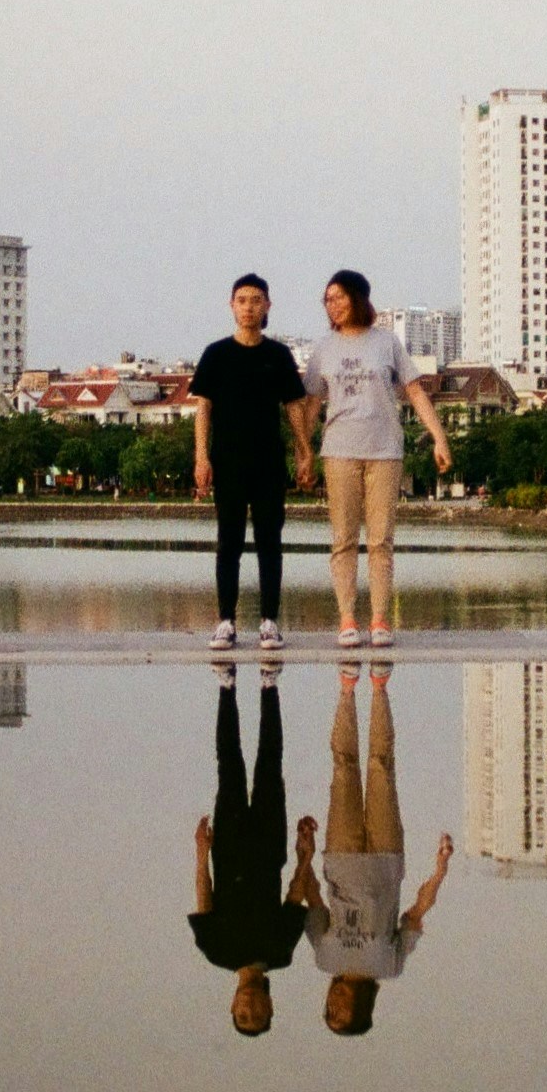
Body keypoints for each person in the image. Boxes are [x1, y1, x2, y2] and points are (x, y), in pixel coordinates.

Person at [298, 269, 451, 650]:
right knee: (344, 540)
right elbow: (312, 404)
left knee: (381, 540)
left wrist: (439, 437)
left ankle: (380, 618)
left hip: (384, 450)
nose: (332, 305)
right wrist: (303, 452)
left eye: (339, 297)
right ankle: (348, 619)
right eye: (327, 299)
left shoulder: (387, 344)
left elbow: (414, 391)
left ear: (358, 298)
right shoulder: (323, 349)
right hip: (339, 452)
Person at [306, 663, 452, 1037]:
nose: (334, 1005)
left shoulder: (324, 959)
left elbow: (314, 902)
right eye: (341, 1014)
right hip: (386, 859)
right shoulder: (389, 966)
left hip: (339, 857)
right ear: (361, 1010)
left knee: (343, 767)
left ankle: (346, 689)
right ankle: (379, 688)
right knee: (382, 767)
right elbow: (416, 914)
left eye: (329, 1012)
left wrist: (303, 853)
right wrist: (439, 871)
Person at [190, 273, 314, 652]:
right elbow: (203, 408)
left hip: (268, 463)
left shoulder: (277, 356)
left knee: (269, 543)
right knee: (228, 542)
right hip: (227, 462)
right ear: (231, 306)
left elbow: (294, 406)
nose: (249, 307)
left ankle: (269, 622)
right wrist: (201, 456)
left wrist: (304, 450)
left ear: (267, 307)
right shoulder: (216, 354)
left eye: (256, 300)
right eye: (242, 300)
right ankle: (226, 620)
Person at [189, 667, 316, 1036]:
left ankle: (226, 688)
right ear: (270, 1006)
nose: (249, 1009)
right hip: (269, 846)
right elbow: (294, 897)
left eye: (242, 1015)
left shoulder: (216, 950)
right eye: (257, 1015)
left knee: (230, 766)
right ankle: (268, 686)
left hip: (226, 849)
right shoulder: (281, 953)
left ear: (232, 1004)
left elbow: (204, 897)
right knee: (269, 763)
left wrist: (201, 852)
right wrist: (305, 856)